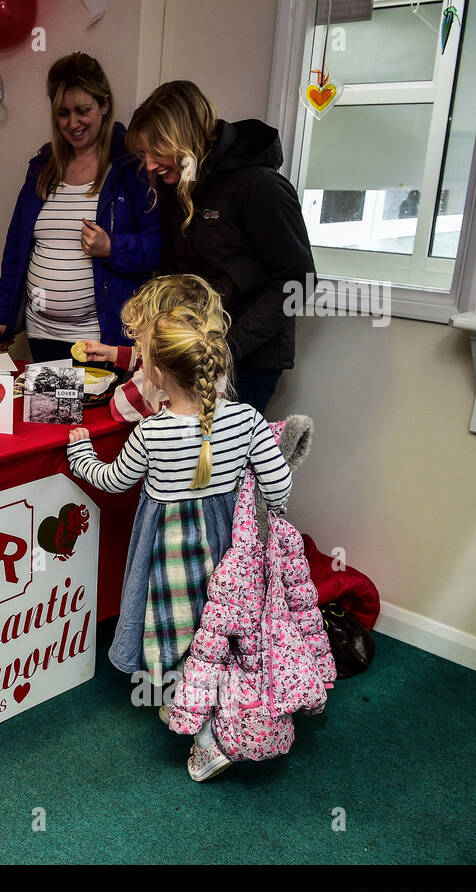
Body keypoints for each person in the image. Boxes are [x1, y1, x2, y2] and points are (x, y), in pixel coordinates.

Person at [65, 274, 292, 781]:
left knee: (177, 631)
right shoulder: (248, 419)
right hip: (229, 548)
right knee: (224, 633)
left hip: (169, 554)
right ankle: (232, 708)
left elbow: (114, 480)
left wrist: (80, 450)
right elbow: (278, 490)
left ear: (160, 375)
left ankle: (203, 729)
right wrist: (253, 507)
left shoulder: (152, 430)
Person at [126, 80, 315, 413]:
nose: (150, 165)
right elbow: (176, 273)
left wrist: (228, 347)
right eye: (145, 154)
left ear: (183, 139)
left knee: (222, 461)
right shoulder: (178, 189)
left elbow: (298, 281)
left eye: (157, 152)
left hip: (248, 359)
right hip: (194, 353)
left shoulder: (259, 186)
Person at [0, 52, 160, 363]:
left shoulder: (130, 167)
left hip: (102, 338)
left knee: (100, 412)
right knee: (44, 413)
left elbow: (155, 248)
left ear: (105, 105)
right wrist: (4, 312)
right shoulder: (42, 166)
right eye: (63, 113)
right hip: (42, 333)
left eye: (83, 110)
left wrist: (112, 246)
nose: (73, 123)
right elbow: (16, 247)